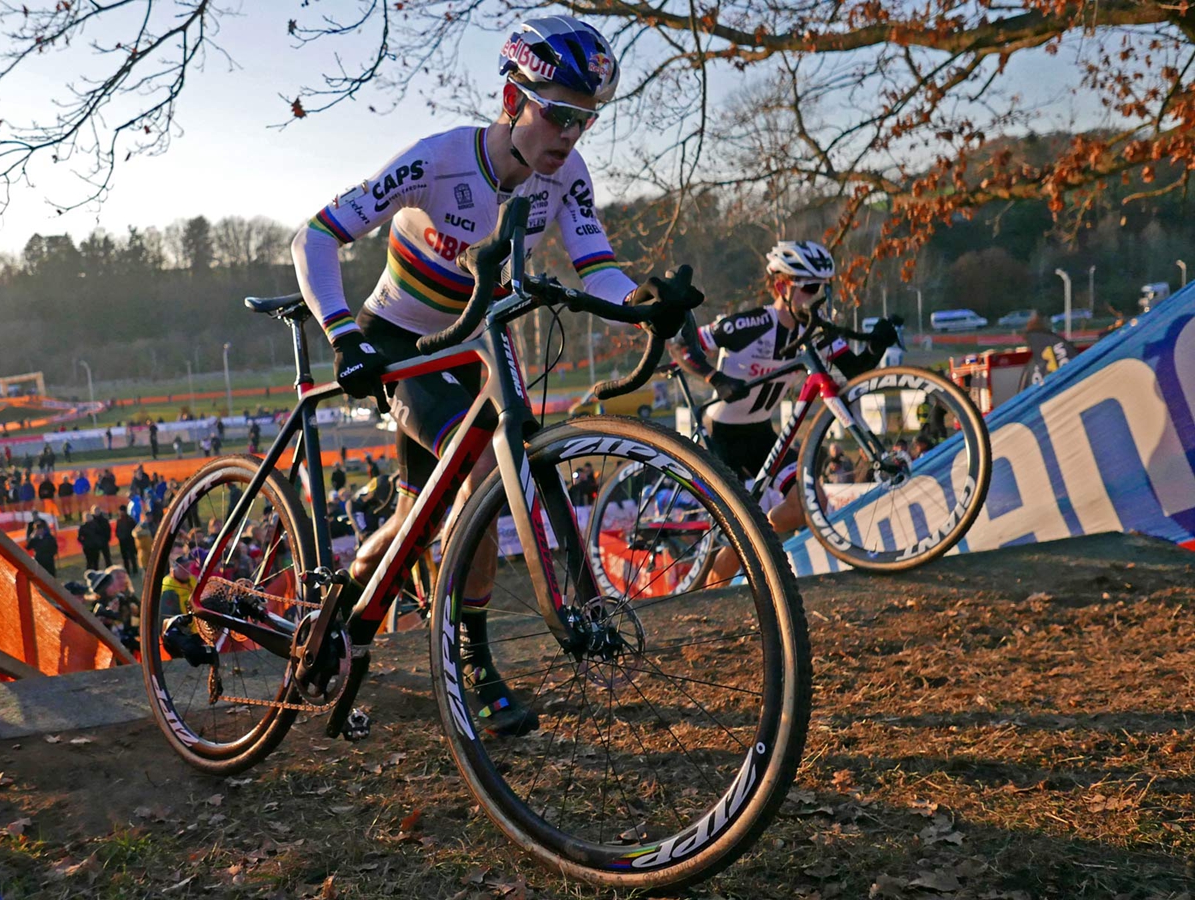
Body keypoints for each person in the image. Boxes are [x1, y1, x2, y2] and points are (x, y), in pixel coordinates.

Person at [283, 16, 697, 736]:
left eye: (584, 120)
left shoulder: (565, 177)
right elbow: (316, 234)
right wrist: (342, 332)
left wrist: (641, 303)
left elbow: (594, 264)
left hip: (469, 347)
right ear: (513, 101)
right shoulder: (437, 160)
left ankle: (349, 592)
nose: (569, 135)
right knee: (481, 478)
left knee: (419, 523)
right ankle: (473, 664)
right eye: (557, 114)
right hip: (399, 341)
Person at [671, 240, 899, 581]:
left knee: (810, 505)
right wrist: (715, 378)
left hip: (763, 432)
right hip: (722, 434)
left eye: (823, 287)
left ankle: (751, 540)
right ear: (782, 286)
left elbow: (856, 375)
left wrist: (877, 345)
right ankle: (709, 594)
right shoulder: (751, 324)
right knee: (738, 527)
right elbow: (680, 344)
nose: (818, 295)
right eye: (809, 287)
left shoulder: (817, 332)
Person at [116, 504, 139, 575]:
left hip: (130, 540)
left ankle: (135, 570)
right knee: (125, 557)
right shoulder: (119, 520)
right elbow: (117, 530)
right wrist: (120, 537)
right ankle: (127, 570)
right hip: (122, 541)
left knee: (132, 556)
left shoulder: (130, 519)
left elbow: (135, 529)